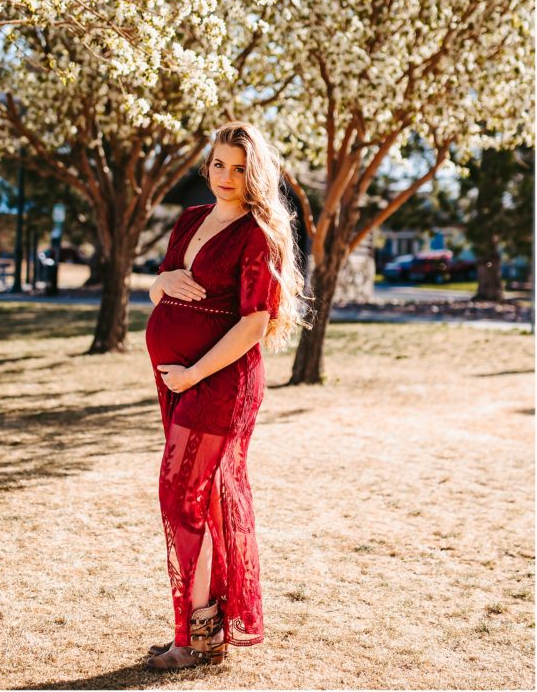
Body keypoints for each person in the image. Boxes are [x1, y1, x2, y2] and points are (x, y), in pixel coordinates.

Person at [145, 121, 304, 668]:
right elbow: (161, 278)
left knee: (179, 495)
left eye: (239, 167)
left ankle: (193, 635)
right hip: (177, 377)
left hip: (220, 380)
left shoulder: (257, 233)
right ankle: (204, 629)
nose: (226, 176)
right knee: (197, 499)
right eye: (217, 164)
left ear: (255, 172)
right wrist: (160, 285)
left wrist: (191, 376)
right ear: (206, 164)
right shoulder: (191, 218)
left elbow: (254, 324)